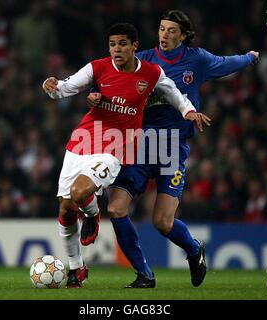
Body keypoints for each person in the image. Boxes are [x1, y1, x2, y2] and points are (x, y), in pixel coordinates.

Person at [86, 10, 259, 288]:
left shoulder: (197, 59)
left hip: (171, 148)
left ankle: (193, 249)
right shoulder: (142, 60)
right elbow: (110, 81)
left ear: (183, 35)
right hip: (139, 146)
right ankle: (144, 275)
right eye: (161, 29)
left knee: (163, 222)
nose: (164, 35)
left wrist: (250, 58)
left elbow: (228, 63)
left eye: (171, 30)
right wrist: (96, 95)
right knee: (116, 208)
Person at [42, 22, 211, 288]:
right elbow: (65, 87)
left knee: (153, 218)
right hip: (83, 140)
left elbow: (174, 94)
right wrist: (51, 85)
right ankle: (107, 271)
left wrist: (188, 111)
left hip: (117, 147)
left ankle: (92, 214)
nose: (116, 49)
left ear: (134, 46)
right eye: (112, 44)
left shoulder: (152, 73)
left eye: (122, 44)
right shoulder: (97, 68)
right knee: (68, 209)